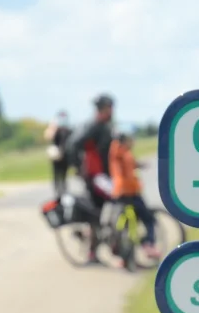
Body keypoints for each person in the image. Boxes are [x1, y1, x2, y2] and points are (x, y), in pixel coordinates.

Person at [68, 95, 116, 262]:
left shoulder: (104, 125)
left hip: (103, 174)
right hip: (95, 176)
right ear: (103, 108)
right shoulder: (93, 126)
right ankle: (92, 249)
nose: (112, 110)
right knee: (97, 212)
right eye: (109, 107)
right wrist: (77, 167)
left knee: (100, 211)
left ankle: (97, 245)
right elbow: (74, 144)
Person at [109, 131, 161, 260]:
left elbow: (129, 165)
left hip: (120, 192)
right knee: (148, 219)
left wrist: (139, 165)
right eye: (130, 140)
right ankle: (148, 244)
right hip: (130, 191)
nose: (132, 142)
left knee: (127, 224)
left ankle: (125, 257)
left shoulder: (117, 151)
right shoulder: (121, 152)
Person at [44, 111, 72, 197]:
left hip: (65, 156)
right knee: (56, 174)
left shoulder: (68, 130)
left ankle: (63, 190)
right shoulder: (55, 130)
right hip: (56, 157)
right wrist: (52, 126)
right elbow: (48, 137)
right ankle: (57, 191)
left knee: (64, 174)